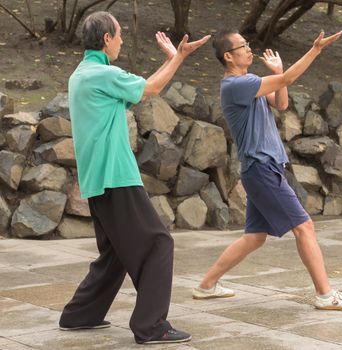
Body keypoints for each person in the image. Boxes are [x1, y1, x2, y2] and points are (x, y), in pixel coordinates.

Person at [58, 11, 209, 344]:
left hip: (98, 178)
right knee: (158, 243)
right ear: (107, 38)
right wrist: (180, 57)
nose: (123, 40)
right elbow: (150, 89)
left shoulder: (83, 73)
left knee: (116, 252)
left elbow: (142, 88)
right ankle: (151, 326)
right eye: (120, 34)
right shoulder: (102, 73)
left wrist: (172, 59)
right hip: (115, 175)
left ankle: (80, 314)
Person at [192, 29, 342, 311]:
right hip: (261, 169)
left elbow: (281, 102)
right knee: (304, 227)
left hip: (264, 168)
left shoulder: (248, 83)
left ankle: (207, 285)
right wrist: (315, 50)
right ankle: (325, 294)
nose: (249, 48)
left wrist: (280, 72)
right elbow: (288, 80)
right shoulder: (237, 85)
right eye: (243, 45)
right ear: (228, 56)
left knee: (255, 236)